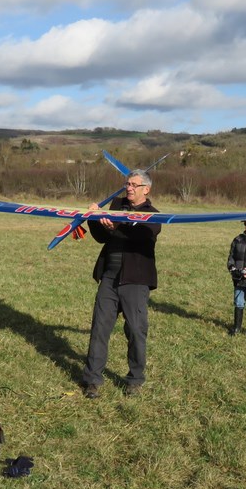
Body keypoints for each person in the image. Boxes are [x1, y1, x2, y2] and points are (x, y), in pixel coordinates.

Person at [81, 170, 161, 398]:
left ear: (146, 189)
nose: (129, 188)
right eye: (127, 183)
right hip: (109, 278)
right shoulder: (117, 206)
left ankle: (135, 380)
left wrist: (114, 226)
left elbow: (139, 237)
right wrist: (94, 217)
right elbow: (102, 237)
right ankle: (92, 380)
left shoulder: (153, 215)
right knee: (99, 329)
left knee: (136, 331)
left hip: (135, 281)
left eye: (135, 185)